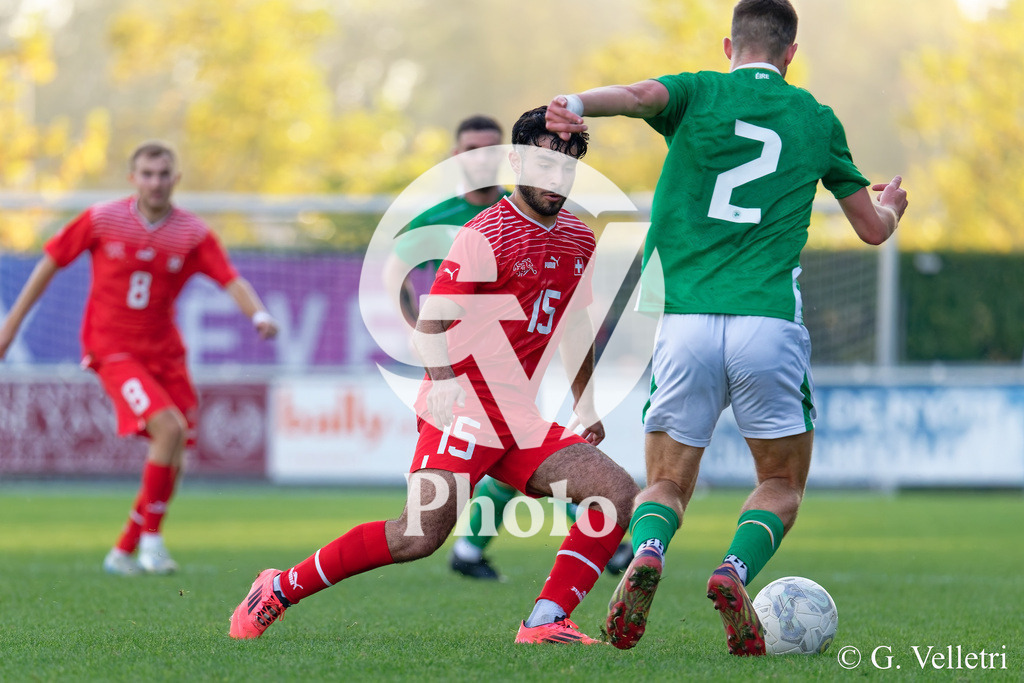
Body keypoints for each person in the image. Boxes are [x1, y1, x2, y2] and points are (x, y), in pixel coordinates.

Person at [545, 0, 909, 655]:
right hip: (767, 322)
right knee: (780, 484)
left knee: (667, 482)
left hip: (683, 322)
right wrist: (890, 205)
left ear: (729, 45)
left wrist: (570, 100)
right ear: (790, 53)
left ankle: (649, 547)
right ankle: (733, 570)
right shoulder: (817, 119)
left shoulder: (697, 91)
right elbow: (870, 229)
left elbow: (632, 95)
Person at [229, 106, 639, 644]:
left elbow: (575, 328)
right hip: (465, 409)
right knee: (415, 537)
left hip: (519, 417)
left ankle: (545, 621)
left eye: (566, 167)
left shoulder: (578, 240)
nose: (555, 178)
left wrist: (585, 405)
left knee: (614, 491)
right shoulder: (484, 233)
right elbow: (431, 322)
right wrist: (444, 384)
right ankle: (279, 587)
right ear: (515, 161)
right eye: (543, 165)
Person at [0, 142, 278, 576]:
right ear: (133, 179)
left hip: (165, 353)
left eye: (163, 173)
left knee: (177, 451)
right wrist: (11, 325)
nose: (155, 182)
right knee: (169, 428)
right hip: (112, 349)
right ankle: (151, 541)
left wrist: (258, 314)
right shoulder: (102, 219)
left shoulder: (191, 233)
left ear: (176, 179)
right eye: (147, 174)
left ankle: (123, 550)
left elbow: (230, 278)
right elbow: (49, 264)